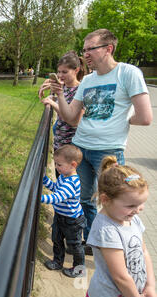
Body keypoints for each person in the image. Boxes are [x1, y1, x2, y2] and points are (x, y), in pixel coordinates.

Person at [46, 29, 153, 254]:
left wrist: (119, 121)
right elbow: (70, 117)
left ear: (108, 49)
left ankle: (120, 250)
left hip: (109, 151)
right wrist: (60, 92)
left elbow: (145, 118)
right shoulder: (88, 81)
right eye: (84, 50)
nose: (86, 54)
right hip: (81, 149)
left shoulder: (128, 73)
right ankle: (93, 244)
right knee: (83, 200)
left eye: (90, 49)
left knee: (114, 203)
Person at [85, 156, 157, 297]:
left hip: (133, 293)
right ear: (105, 200)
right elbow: (120, 277)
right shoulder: (107, 230)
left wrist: (150, 285)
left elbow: (144, 252)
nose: (138, 210)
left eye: (140, 204)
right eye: (131, 206)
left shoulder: (131, 218)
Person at [41, 144, 86, 278]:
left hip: (72, 221)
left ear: (73, 164)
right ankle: (57, 261)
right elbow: (56, 189)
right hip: (60, 216)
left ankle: (79, 270)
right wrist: (44, 180)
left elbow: (56, 197)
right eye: (55, 164)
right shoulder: (64, 176)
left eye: (59, 164)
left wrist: (39, 197)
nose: (56, 167)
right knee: (57, 239)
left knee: (75, 246)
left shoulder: (71, 182)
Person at [40, 51, 87, 160]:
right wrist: (53, 97)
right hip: (60, 140)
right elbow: (64, 103)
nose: (60, 75)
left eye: (65, 72)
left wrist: (52, 103)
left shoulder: (81, 90)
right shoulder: (65, 86)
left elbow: (73, 121)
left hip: (71, 145)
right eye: (59, 71)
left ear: (76, 70)